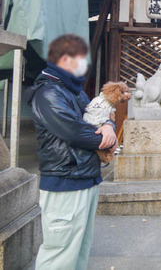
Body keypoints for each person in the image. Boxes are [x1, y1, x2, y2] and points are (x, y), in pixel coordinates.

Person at [28, 34, 117, 269]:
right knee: (60, 250)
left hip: (86, 177)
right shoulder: (49, 93)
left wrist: (109, 126)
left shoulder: (73, 90)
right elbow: (74, 132)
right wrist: (107, 140)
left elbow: (99, 114)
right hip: (65, 178)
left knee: (79, 248)